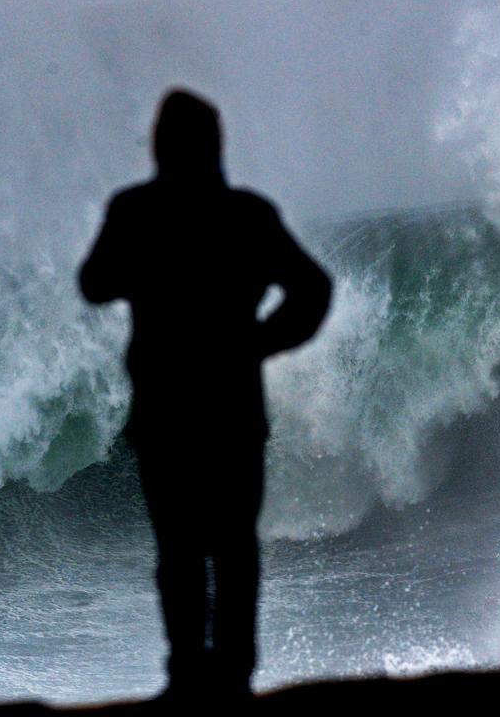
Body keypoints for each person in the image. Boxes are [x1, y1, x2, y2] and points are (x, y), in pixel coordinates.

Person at [79, 88, 332, 699]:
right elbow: (313, 289)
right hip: (232, 408)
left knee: (182, 550)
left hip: (167, 409)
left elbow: (94, 283)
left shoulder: (136, 211)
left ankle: (189, 676)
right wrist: (262, 342)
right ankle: (235, 677)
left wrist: (147, 265)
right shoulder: (247, 215)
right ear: (217, 145)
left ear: (160, 146)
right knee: (233, 547)